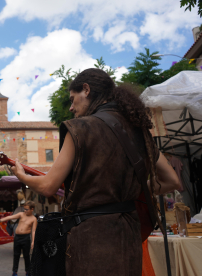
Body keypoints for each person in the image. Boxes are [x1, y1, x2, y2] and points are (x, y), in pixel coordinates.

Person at [10, 68, 181, 275]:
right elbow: (172, 180)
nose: (72, 107)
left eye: (73, 99)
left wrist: (21, 175)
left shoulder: (79, 128)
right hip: (130, 235)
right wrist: (136, 191)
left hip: (91, 239)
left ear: (86, 90)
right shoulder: (139, 131)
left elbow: (48, 187)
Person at [0, 201, 37, 276]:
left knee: (26, 256)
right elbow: (10, 217)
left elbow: (33, 231)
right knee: (16, 255)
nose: (25, 211)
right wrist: (1, 220)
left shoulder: (34, 219)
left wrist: (33, 242)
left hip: (26, 238)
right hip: (17, 237)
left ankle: (28, 271)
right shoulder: (21, 214)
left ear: (32, 209)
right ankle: (14, 272)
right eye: (24, 209)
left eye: (26, 209)